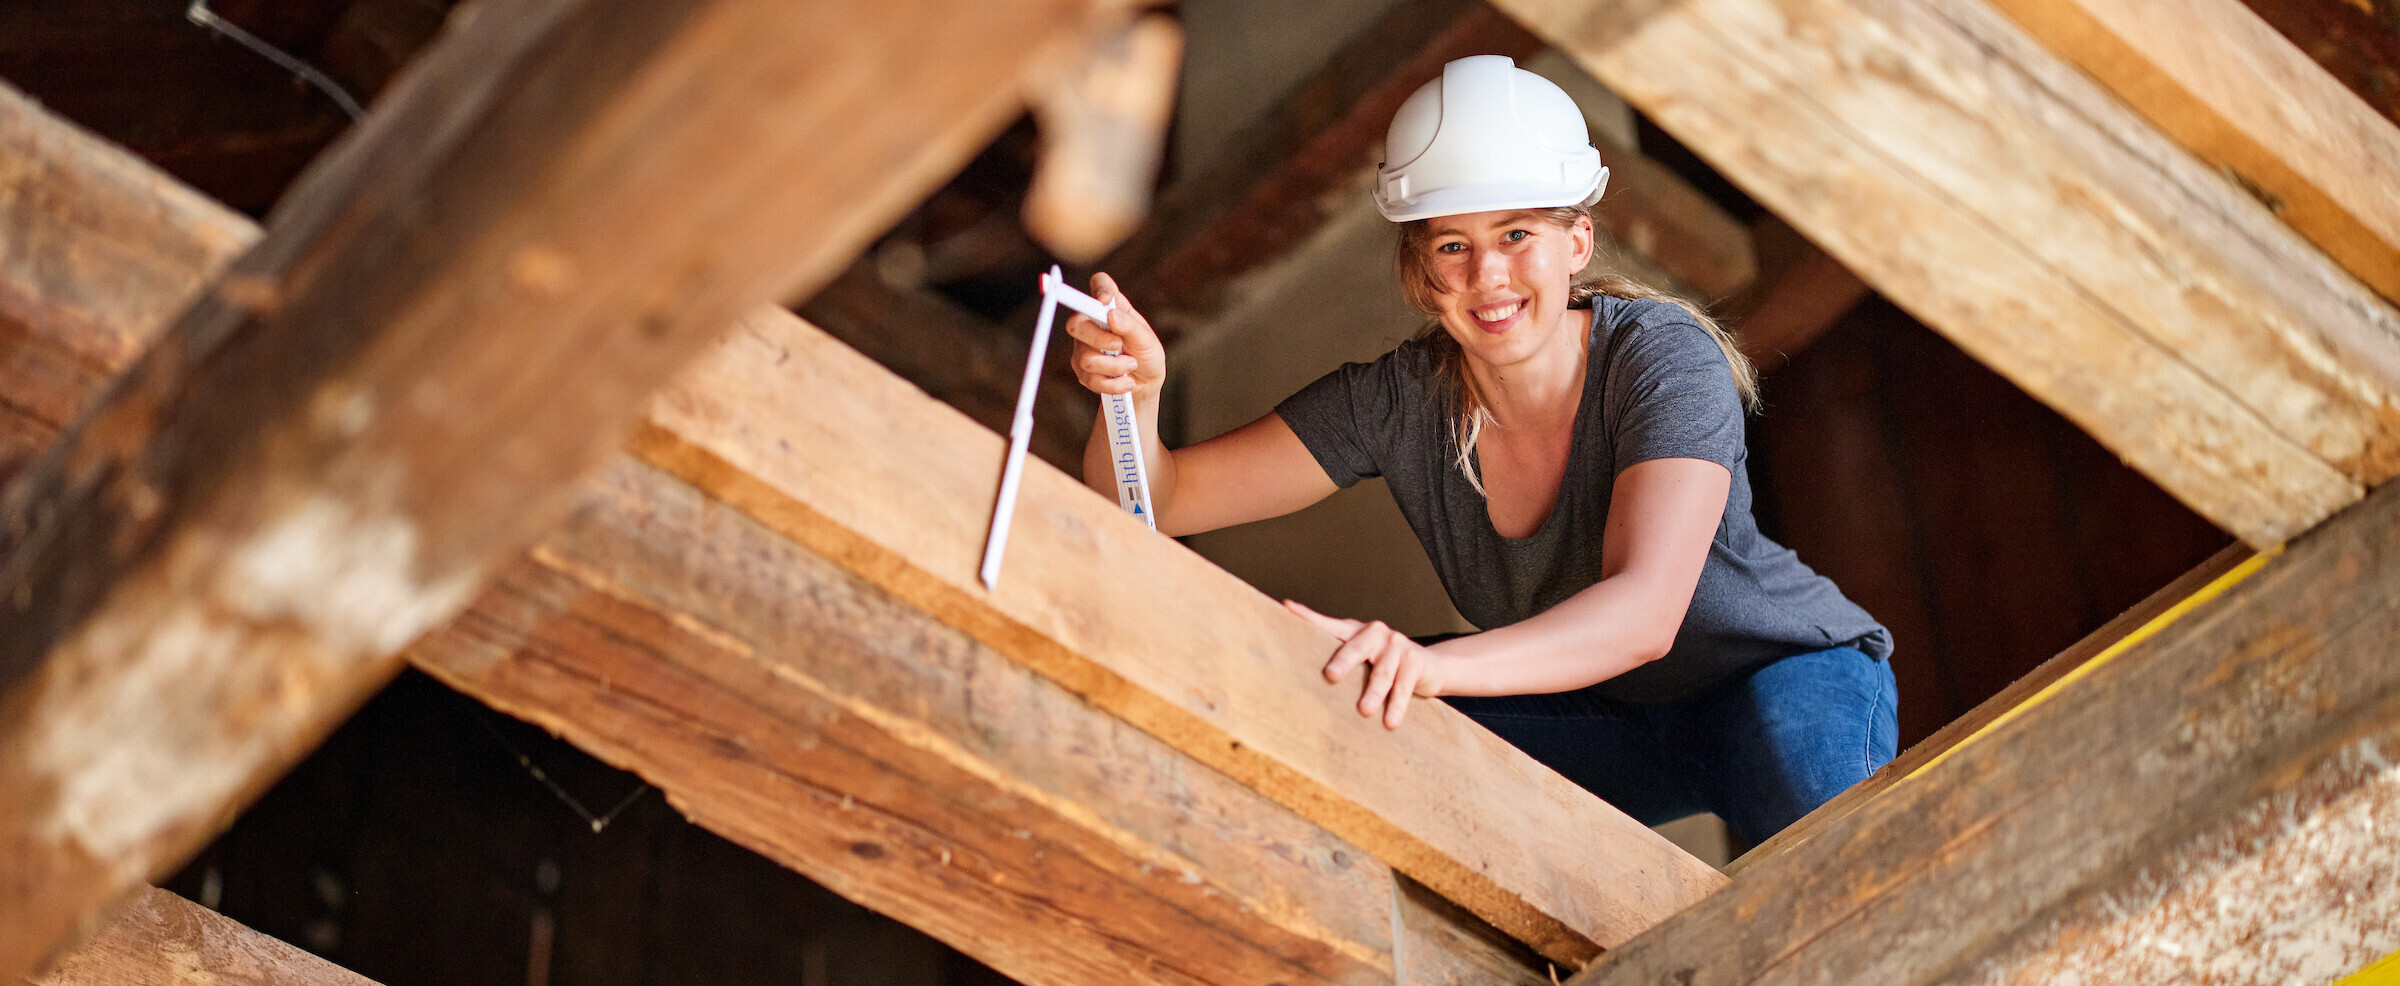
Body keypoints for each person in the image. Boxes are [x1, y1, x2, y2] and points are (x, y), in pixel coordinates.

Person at [1060, 55, 1895, 846]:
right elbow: (1156, 503)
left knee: (1839, 866)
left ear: (1577, 242)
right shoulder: (1393, 400)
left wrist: (1428, 664)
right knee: (1363, 703)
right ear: (1422, 273)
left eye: (1517, 233)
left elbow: (1643, 617)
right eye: (1453, 246)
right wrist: (1132, 402)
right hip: (1608, 714)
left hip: (1779, 680)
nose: (1487, 276)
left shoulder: (1660, 356)